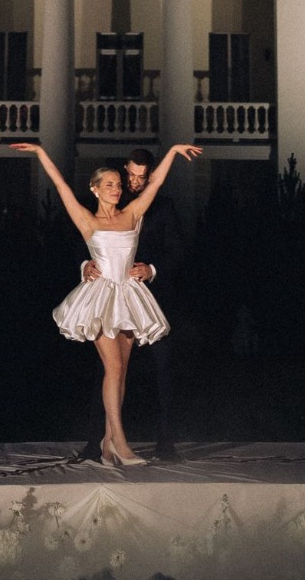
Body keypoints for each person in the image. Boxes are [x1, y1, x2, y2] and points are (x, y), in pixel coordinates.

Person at [10, 139, 201, 467]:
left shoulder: (132, 214)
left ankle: (107, 443)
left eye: (117, 184)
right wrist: (41, 152)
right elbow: (61, 185)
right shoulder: (86, 219)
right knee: (112, 368)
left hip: (129, 297)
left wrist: (171, 152)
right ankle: (121, 443)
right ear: (95, 188)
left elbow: (156, 182)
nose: (116, 189)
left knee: (121, 371)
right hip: (101, 299)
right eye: (109, 184)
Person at [76, 148, 184, 463]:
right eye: (131, 175)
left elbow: (178, 250)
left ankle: (165, 443)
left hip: (151, 301)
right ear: (125, 170)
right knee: (109, 370)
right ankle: (98, 443)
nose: (135, 182)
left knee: (163, 370)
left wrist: (151, 269)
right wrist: (85, 265)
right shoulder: (111, 197)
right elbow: (85, 239)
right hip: (111, 300)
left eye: (142, 177)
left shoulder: (161, 205)